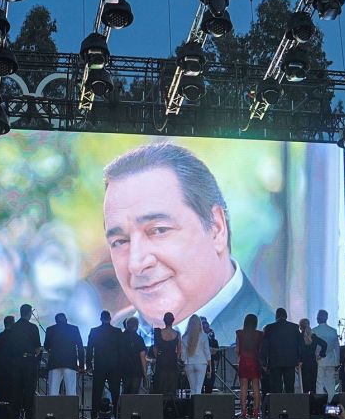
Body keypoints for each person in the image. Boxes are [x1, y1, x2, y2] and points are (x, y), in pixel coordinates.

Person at [101, 142, 270, 347]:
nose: (136, 263)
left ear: (216, 228)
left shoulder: (269, 341)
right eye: (119, 242)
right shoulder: (114, 332)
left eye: (159, 230)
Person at [9, 304, 42, 419]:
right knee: (29, 390)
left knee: (16, 390)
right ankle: (29, 418)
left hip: (15, 362)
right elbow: (38, 348)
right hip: (29, 362)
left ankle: (15, 417)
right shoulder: (33, 327)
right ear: (29, 313)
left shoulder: (13, 327)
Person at [87, 310, 124, 416]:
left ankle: (94, 415)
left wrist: (89, 365)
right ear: (110, 318)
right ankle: (117, 415)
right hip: (115, 366)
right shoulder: (117, 331)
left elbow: (89, 349)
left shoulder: (94, 331)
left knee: (97, 392)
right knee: (115, 392)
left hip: (99, 366)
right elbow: (121, 350)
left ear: (100, 319)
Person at [261, 308, 303, 395]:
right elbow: (300, 344)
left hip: (275, 362)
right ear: (286, 316)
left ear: (276, 316)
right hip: (290, 361)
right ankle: (289, 406)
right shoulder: (294, 327)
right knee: (290, 387)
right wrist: (299, 359)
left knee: (276, 387)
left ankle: (277, 407)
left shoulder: (269, 327)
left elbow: (264, 346)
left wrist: (264, 362)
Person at [45, 312, 85, 397]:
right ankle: (71, 410)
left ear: (56, 321)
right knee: (71, 392)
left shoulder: (50, 329)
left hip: (54, 363)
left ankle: (52, 410)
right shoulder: (74, 329)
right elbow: (80, 348)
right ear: (66, 320)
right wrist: (81, 366)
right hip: (70, 363)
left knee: (53, 392)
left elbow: (46, 346)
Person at [235, 314, 264, 419]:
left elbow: (237, 350)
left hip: (243, 361)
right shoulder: (260, 334)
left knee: (243, 388)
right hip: (255, 362)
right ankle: (256, 412)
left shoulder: (240, 334)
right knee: (256, 387)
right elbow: (261, 350)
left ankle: (243, 412)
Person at [151, 312, 182, 396]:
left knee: (160, 383)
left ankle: (161, 405)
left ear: (164, 320)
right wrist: (177, 357)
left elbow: (155, 348)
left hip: (161, 359)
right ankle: (171, 403)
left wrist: (158, 356)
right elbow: (179, 348)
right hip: (172, 359)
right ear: (173, 320)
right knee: (171, 383)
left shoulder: (158, 333)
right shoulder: (177, 334)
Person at [0, 315, 17, 419]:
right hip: (13, 370)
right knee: (13, 394)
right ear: (13, 324)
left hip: (1, 370)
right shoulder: (16, 337)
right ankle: (12, 416)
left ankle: (1, 416)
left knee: (1, 394)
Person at [312, 310, 341, 397]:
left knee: (319, 383)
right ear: (326, 318)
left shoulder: (314, 331)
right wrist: (337, 361)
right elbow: (337, 348)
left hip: (318, 360)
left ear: (318, 318)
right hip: (331, 360)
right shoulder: (333, 331)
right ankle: (331, 402)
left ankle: (320, 404)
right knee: (331, 383)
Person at [182, 314, 211, 396]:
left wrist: (184, 363)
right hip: (201, 363)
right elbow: (207, 352)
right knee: (198, 388)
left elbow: (183, 355)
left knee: (192, 388)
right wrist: (210, 366)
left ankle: (192, 407)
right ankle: (197, 407)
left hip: (189, 363)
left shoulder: (184, 337)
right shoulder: (204, 336)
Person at [298, 318, 328, 395]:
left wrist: (299, 360)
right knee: (313, 384)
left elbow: (297, 350)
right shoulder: (313, 336)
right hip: (313, 362)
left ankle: (306, 404)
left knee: (305, 385)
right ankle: (313, 403)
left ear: (300, 327)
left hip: (303, 363)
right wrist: (321, 355)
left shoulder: (299, 337)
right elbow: (324, 344)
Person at [120, 316, 148, 398]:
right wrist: (145, 373)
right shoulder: (139, 339)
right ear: (137, 326)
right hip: (136, 370)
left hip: (124, 370)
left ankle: (123, 410)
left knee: (125, 392)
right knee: (134, 395)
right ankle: (132, 410)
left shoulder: (121, 337)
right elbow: (142, 357)